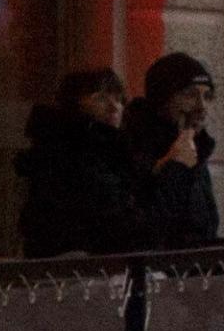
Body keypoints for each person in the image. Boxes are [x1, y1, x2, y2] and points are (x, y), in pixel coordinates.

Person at [17, 68, 142, 257]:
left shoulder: (117, 149)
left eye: (119, 99)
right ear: (74, 104)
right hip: (74, 268)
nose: (114, 106)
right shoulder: (67, 153)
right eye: (101, 98)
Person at [123, 54, 223, 247]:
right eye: (190, 95)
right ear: (162, 99)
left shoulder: (195, 147)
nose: (202, 106)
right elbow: (146, 229)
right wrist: (176, 168)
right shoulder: (134, 146)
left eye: (207, 96)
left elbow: (205, 226)